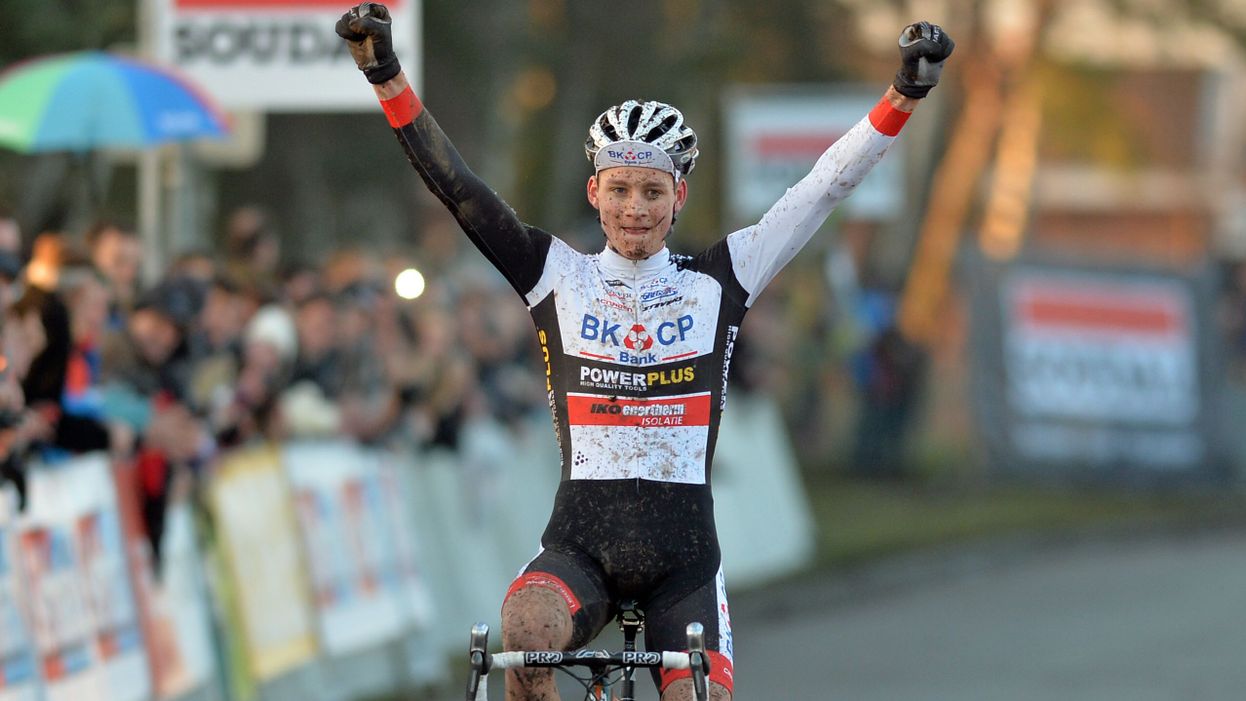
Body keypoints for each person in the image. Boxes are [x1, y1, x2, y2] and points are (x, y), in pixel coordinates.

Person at [337, 5, 953, 700]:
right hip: (579, 546)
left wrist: (904, 93)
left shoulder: (723, 278)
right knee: (523, 629)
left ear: (678, 196)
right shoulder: (555, 273)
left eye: (653, 191)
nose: (636, 208)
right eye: (621, 189)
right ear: (595, 191)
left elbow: (822, 189)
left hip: (683, 559)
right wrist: (385, 74)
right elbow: (460, 190)